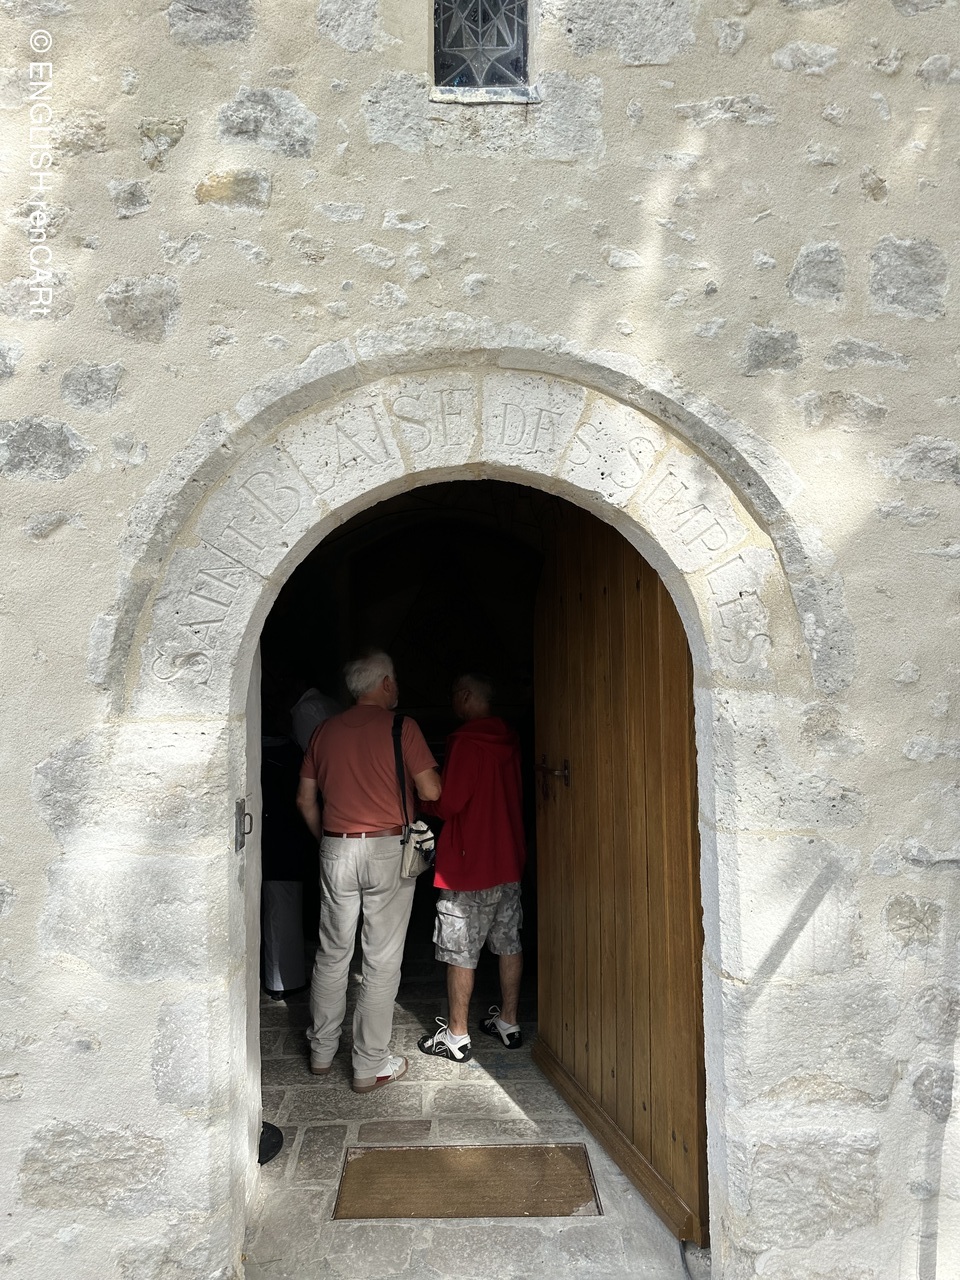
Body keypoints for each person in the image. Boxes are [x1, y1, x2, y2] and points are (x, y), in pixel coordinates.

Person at [297, 651, 441, 1093]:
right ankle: (369, 1064)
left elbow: (304, 799)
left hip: (336, 847)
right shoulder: (402, 727)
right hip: (387, 850)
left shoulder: (324, 731)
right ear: (384, 684)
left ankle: (321, 1052)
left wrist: (328, 842)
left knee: (332, 953)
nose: (397, 686)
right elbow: (432, 789)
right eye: (394, 679)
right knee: (381, 960)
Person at [417, 674, 526, 1063]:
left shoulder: (465, 741)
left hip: (469, 862)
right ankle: (508, 1022)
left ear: (464, 696)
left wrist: (423, 802)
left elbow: (450, 803)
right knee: (509, 942)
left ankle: (457, 1036)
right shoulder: (508, 737)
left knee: (459, 948)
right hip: (507, 857)